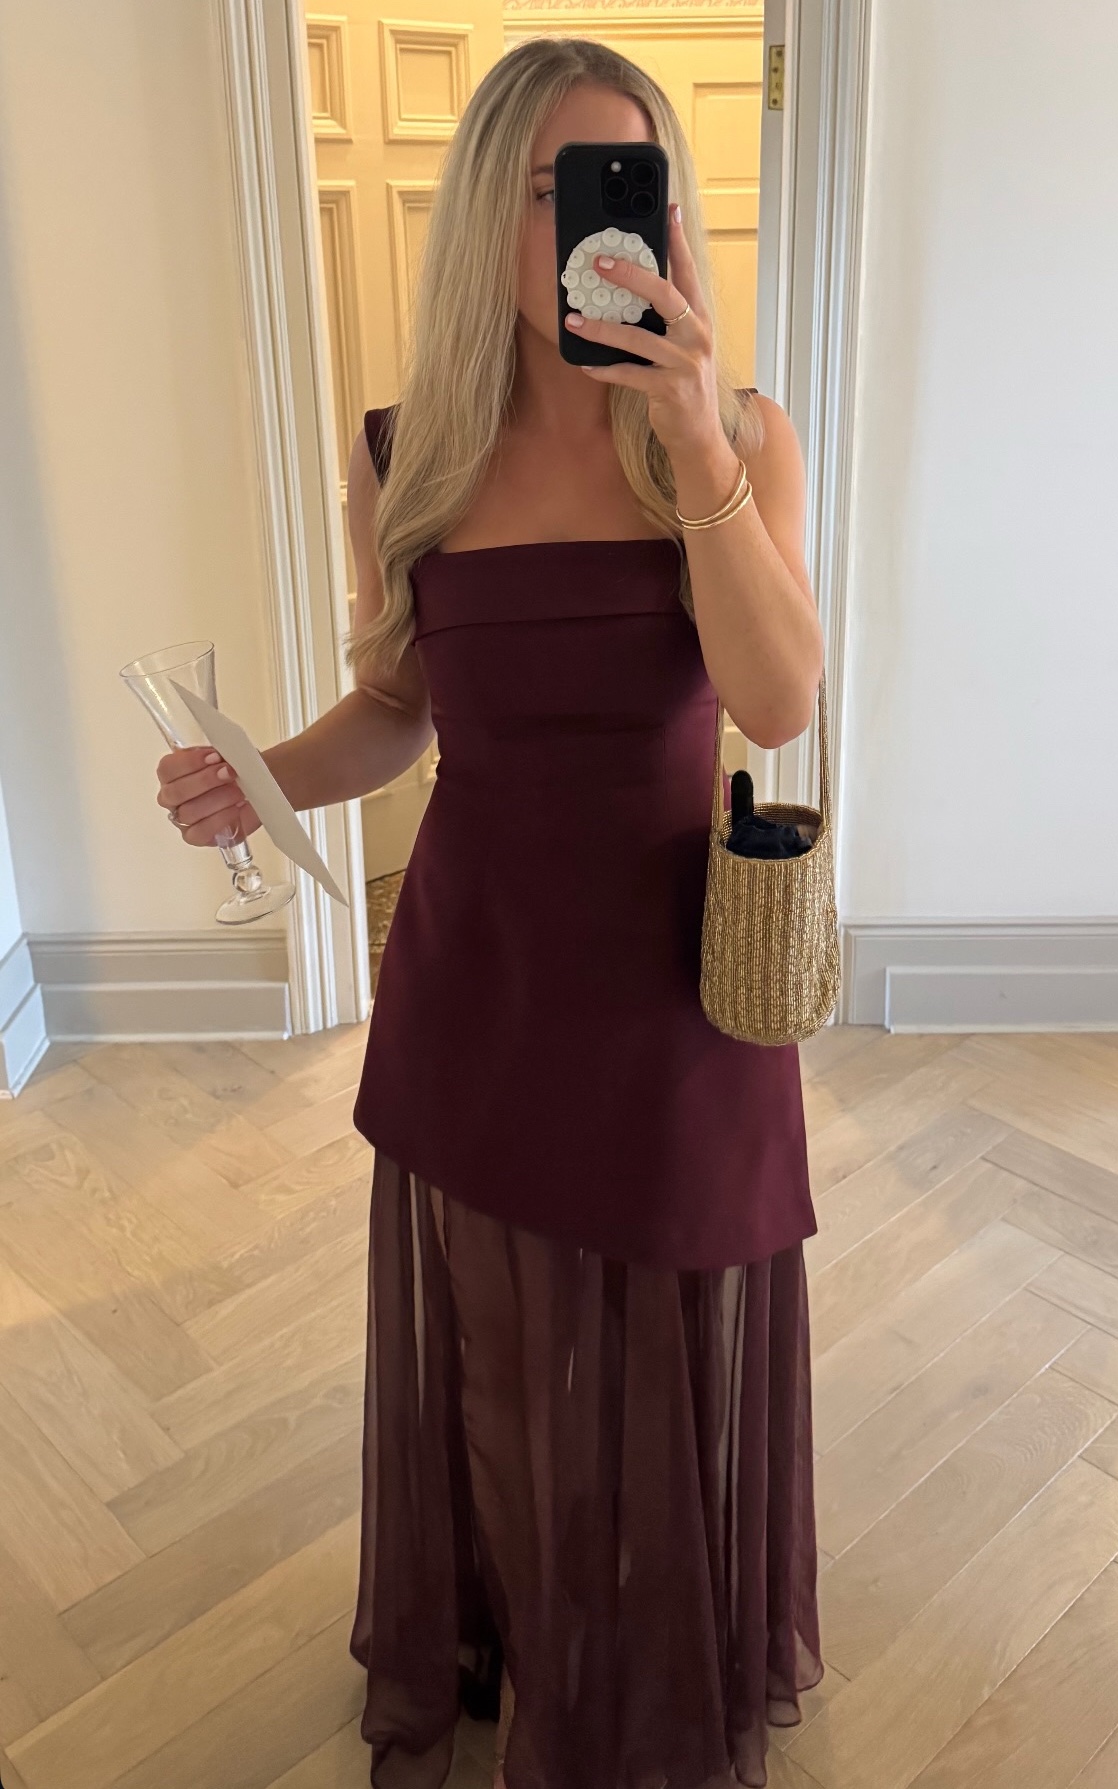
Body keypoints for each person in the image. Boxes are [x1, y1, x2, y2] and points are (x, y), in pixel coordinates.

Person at [156, 35, 825, 1789]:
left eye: (627, 188)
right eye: (552, 190)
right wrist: (263, 776)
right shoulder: (408, 452)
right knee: (511, 1366)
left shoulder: (738, 434)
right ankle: (548, 1663)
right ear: (484, 215)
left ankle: (646, 1667)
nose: (596, 231)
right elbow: (401, 705)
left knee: (669, 1348)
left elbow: (776, 701)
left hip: (675, 989)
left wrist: (696, 440)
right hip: (486, 975)